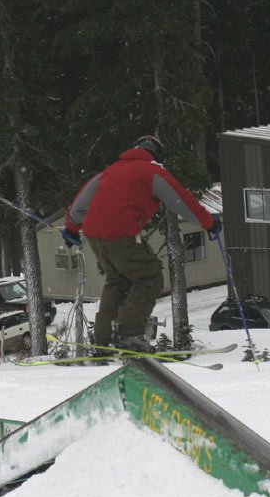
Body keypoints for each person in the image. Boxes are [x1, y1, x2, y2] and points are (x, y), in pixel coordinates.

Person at [62, 135, 220, 353]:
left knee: (117, 279)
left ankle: (102, 339)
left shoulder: (110, 171)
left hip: (93, 233)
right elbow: (180, 200)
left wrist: (71, 227)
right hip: (122, 233)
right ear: (157, 156)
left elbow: (80, 203)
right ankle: (129, 333)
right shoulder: (152, 172)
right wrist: (209, 223)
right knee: (149, 276)